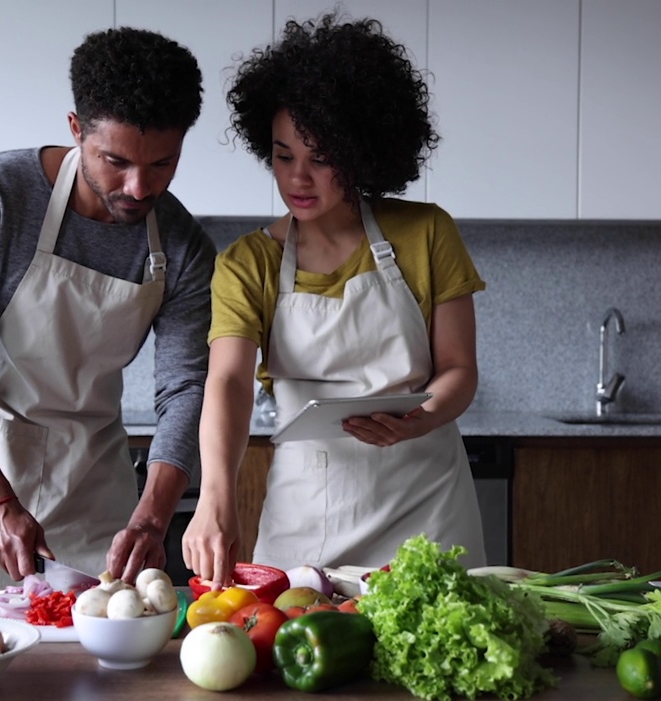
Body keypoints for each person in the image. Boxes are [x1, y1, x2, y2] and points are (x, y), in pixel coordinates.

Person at [0, 27, 216, 588]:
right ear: (76, 130)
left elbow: (185, 389)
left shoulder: (182, 244)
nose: (139, 187)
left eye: (163, 164)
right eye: (115, 161)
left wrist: (152, 518)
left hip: (97, 486)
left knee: (103, 665)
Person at [183, 14, 488, 587]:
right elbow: (226, 381)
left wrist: (419, 419)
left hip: (426, 501)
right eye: (282, 156)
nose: (298, 178)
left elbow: (459, 369)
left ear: (360, 153)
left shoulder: (426, 232)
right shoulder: (249, 262)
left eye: (320, 158)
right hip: (310, 517)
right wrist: (213, 498)